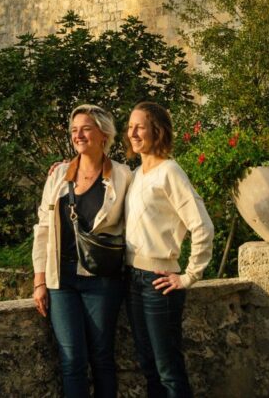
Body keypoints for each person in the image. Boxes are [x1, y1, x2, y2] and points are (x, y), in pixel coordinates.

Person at [32, 104, 134, 397]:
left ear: (103, 134)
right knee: (71, 359)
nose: (78, 135)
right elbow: (43, 230)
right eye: (74, 130)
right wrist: (40, 280)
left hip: (102, 279)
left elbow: (139, 221)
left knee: (102, 357)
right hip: (61, 280)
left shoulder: (123, 176)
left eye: (85, 128)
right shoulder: (59, 175)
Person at [123, 101, 215, 398]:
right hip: (133, 278)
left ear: (156, 130)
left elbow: (202, 225)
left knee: (168, 370)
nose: (133, 133)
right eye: (130, 127)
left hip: (159, 282)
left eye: (140, 126)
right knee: (148, 366)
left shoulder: (170, 171)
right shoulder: (136, 175)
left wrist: (189, 276)